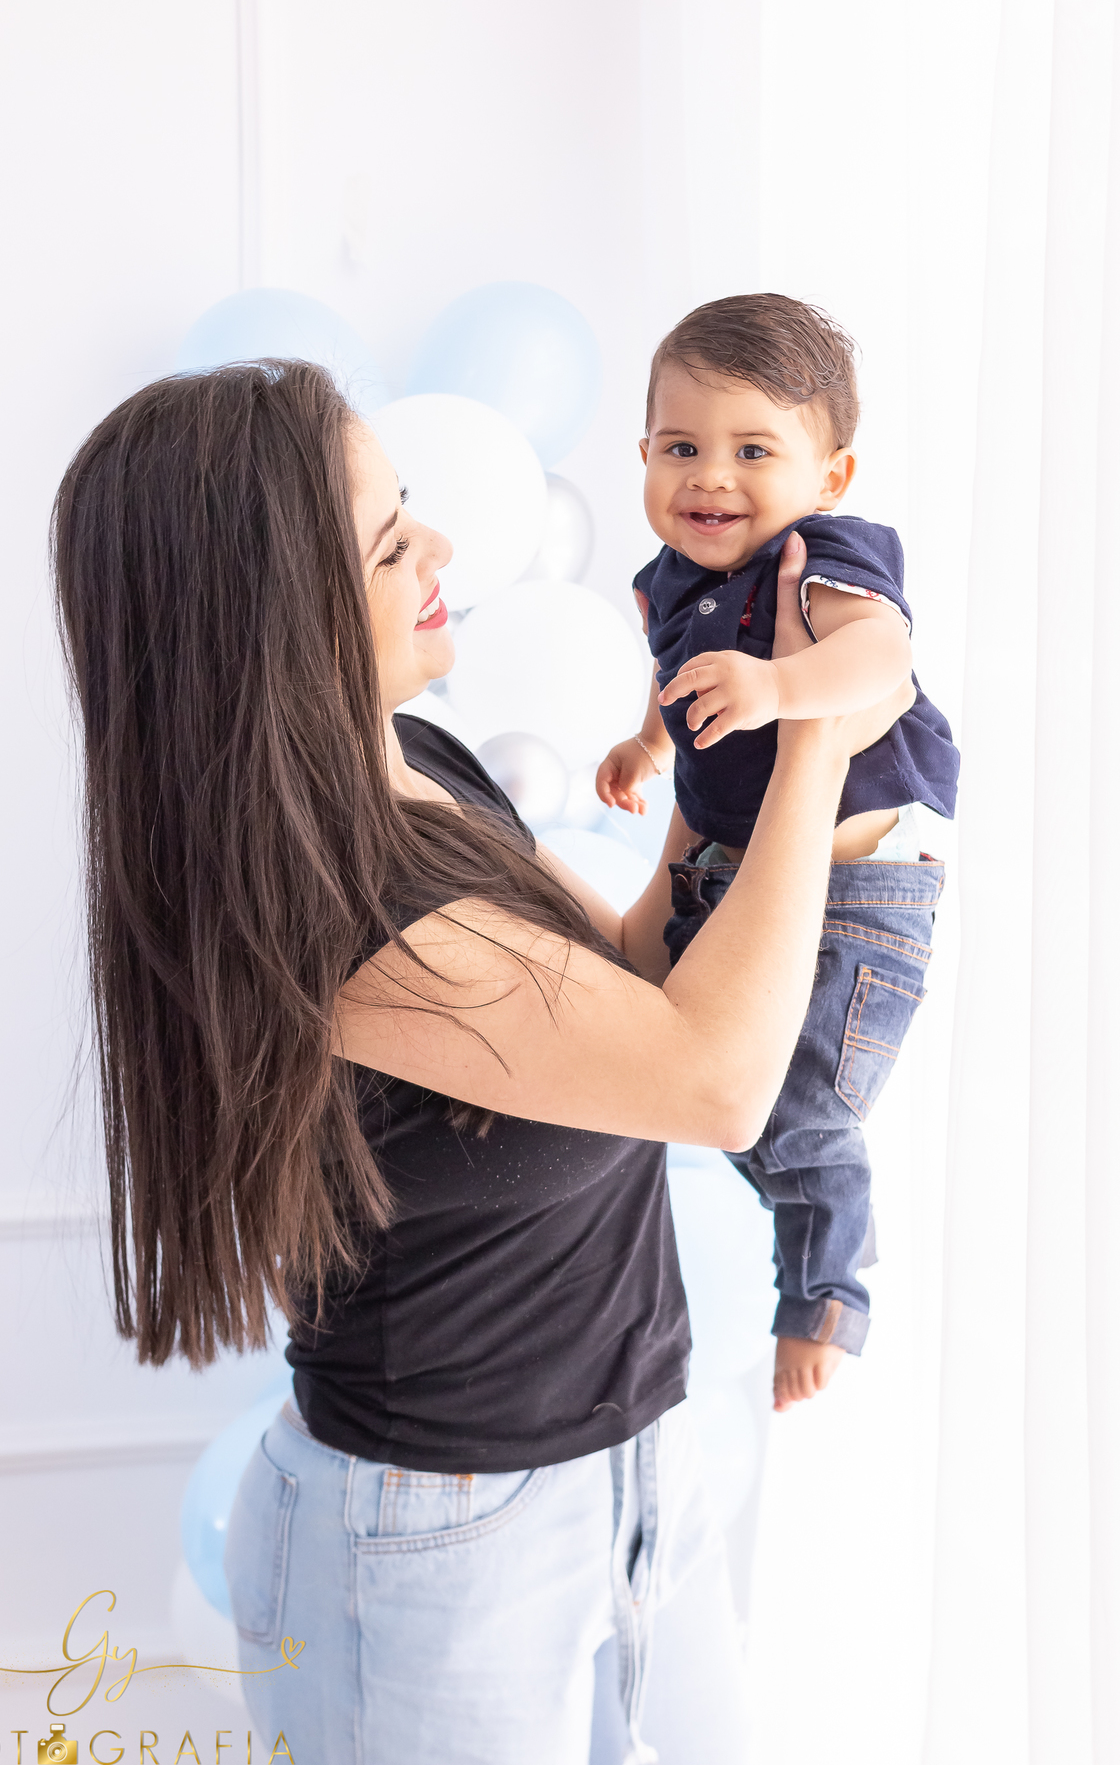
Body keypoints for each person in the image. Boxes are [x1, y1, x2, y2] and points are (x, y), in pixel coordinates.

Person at [51, 359, 912, 1765]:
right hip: (440, 1541)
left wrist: (721, 764)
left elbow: (638, 976)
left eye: (414, 512)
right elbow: (712, 1082)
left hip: (637, 1462)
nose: (440, 548)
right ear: (275, 614)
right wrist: (815, 735)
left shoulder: (419, 759)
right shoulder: (330, 908)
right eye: (391, 542)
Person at [597, 294, 959, 1411]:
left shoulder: (824, 558)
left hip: (852, 897)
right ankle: (799, 1234)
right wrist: (649, 742)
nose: (711, 476)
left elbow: (880, 661)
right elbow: (678, 671)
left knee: (796, 1112)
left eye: (754, 451)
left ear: (830, 475)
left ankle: (828, 1298)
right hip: (733, 878)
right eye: (682, 448)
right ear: (644, 457)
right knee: (693, 1083)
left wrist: (780, 687)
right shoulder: (670, 577)